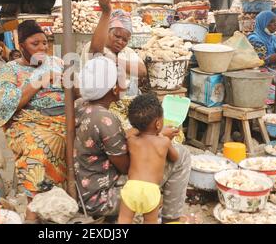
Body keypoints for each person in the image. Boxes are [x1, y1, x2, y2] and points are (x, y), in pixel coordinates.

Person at [74, 56, 191, 223]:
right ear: (114, 89)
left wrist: (150, 133)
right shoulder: (106, 120)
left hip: (86, 188)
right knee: (182, 154)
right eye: (122, 79)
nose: (126, 82)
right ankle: (171, 218)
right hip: (102, 199)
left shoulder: (81, 104)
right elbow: (127, 167)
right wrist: (156, 138)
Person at [0, 20, 66, 222]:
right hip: (27, 122)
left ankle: (78, 200)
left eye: (45, 43)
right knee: (39, 148)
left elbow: (75, 91)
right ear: (21, 46)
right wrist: (38, 81)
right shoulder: (10, 70)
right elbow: (4, 105)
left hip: (62, 118)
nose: (42, 47)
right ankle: (34, 211)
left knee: (88, 137)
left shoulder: (55, 63)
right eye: (35, 44)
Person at [117, 93, 179, 224]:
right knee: (150, 222)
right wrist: (166, 139)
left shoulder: (132, 141)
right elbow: (175, 158)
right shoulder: (164, 142)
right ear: (158, 124)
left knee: (124, 220)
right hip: (151, 191)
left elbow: (126, 135)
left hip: (131, 188)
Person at [81, 0, 147, 97]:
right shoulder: (93, 45)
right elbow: (96, 52)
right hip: (101, 100)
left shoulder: (128, 52)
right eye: (117, 36)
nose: (120, 42)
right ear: (108, 32)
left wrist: (116, 61)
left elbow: (142, 71)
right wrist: (106, 13)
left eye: (125, 40)